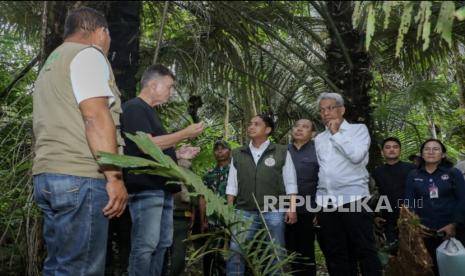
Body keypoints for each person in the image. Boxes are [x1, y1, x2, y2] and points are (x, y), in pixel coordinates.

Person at [32, 7, 128, 275]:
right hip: (80, 178)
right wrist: (114, 178)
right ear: (100, 32)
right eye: (108, 36)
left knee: (59, 267)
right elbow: (95, 117)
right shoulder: (88, 56)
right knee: (81, 270)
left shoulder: (52, 63)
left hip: (48, 177)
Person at [121, 64, 204, 276]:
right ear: (153, 85)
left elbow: (155, 151)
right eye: (169, 87)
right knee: (146, 245)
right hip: (146, 188)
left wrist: (178, 155)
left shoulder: (151, 112)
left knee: (162, 245)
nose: (171, 92)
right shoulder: (134, 107)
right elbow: (144, 145)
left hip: (163, 189)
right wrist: (184, 133)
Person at [314, 92, 382, 276]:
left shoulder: (358, 130)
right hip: (326, 202)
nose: (325, 113)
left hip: (354, 198)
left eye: (330, 108)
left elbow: (356, 156)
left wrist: (336, 133)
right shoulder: (319, 139)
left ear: (342, 109)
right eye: (322, 110)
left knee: (364, 248)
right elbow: (321, 171)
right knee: (335, 252)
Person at [225, 114, 298, 275]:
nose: (251, 126)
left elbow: (291, 182)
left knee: (276, 252)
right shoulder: (238, 153)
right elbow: (232, 185)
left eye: (256, 124)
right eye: (250, 123)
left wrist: (291, 208)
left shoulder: (281, 151)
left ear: (268, 129)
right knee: (236, 251)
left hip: (274, 209)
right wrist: (230, 210)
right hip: (243, 211)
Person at [405, 138, 465, 276]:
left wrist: (454, 224)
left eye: (436, 149)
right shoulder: (413, 175)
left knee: (454, 268)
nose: (431, 152)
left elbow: (462, 199)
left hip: (452, 230)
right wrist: (415, 225)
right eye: (427, 149)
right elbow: (410, 201)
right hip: (425, 230)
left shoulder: (453, 173)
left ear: (443, 154)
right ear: (421, 154)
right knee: (430, 268)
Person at [285, 119, 319, 276]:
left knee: (306, 251)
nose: (299, 129)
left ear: (312, 134)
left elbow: (325, 181)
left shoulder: (318, 151)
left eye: (305, 127)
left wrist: (319, 210)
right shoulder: (282, 151)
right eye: (297, 126)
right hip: (283, 209)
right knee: (287, 251)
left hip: (308, 209)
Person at [372, 137, 415, 245]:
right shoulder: (377, 172)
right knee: (393, 253)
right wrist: (376, 215)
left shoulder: (411, 168)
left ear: (400, 150)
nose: (392, 150)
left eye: (395, 147)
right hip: (388, 220)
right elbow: (375, 195)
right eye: (388, 147)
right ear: (382, 152)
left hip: (411, 217)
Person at [198, 140, 232, 276]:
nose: (219, 151)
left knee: (230, 254)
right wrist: (203, 219)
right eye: (216, 149)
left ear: (229, 151)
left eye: (223, 148)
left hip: (232, 220)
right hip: (212, 221)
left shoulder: (236, 172)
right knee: (210, 253)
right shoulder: (208, 174)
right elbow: (202, 198)